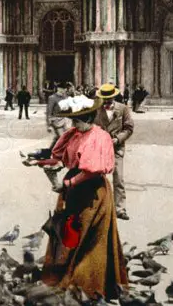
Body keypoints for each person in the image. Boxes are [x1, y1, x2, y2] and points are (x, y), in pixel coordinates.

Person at [40, 95, 128, 300]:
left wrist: (67, 183)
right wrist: (40, 162)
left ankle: (87, 284)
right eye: (72, 120)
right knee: (69, 234)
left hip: (92, 192)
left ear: (88, 119)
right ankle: (68, 276)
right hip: (73, 188)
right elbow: (59, 156)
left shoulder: (100, 137)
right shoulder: (74, 133)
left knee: (90, 237)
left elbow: (92, 171)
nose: (73, 124)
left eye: (77, 120)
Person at [96, 83, 133, 220]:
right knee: (98, 178)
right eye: (104, 99)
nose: (106, 102)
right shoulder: (97, 109)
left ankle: (120, 208)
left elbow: (129, 128)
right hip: (100, 148)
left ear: (113, 97)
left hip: (117, 148)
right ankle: (100, 208)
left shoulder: (123, 109)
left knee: (119, 178)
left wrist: (117, 139)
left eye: (109, 99)